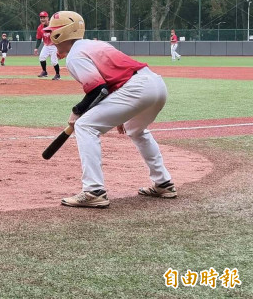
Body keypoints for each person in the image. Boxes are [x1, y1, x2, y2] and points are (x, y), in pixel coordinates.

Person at [43, 11, 176, 209]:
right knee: (136, 130)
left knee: (85, 126)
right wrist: (121, 112)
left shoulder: (74, 57)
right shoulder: (94, 44)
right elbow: (113, 81)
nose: (50, 38)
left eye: (52, 32)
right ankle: (163, 183)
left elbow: (98, 89)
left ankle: (94, 191)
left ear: (61, 34)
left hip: (135, 89)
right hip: (155, 85)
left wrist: (77, 111)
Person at [34, 11, 61, 80]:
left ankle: (58, 75)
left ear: (48, 18)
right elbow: (39, 38)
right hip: (46, 45)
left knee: (54, 61)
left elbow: (60, 35)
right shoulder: (40, 28)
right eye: (41, 18)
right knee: (42, 57)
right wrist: (36, 48)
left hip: (54, 45)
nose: (42, 19)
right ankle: (44, 72)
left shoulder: (53, 25)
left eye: (44, 17)